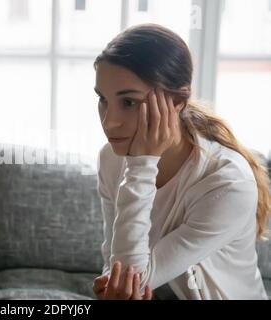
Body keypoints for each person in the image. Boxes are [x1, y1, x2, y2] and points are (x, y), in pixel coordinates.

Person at [91, 23, 270, 300]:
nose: (109, 122)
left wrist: (142, 164)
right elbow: (117, 270)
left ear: (177, 100)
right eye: (103, 99)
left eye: (129, 102)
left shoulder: (228, 183)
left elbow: (132, 280)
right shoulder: (111, 159)